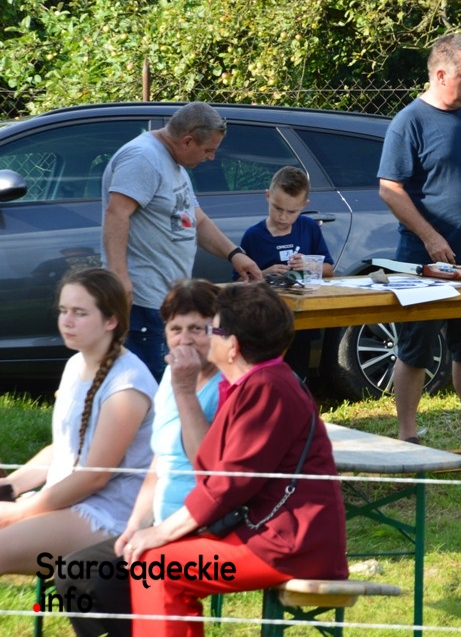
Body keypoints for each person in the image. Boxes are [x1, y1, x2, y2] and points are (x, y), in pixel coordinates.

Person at [121, 281, 347, 637]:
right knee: (154, 561)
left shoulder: (267, 388)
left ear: (233, 346)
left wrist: (161, 531)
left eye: (212, 329)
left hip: (287, 545)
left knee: (157, 566)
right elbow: (211, 468)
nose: (201, 337)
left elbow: (227, 485)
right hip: (264, 535)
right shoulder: (253, 384)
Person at [55, 279, 223, 637]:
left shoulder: (223, 385)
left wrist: (184, 389)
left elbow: (206, 464)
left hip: (204, 527)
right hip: (157, 522)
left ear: (219, 330)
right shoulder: (172, 379)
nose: (184, 340)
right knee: (73, 572)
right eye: (175, 329)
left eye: (197, 329)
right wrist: (135, 526)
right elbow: (158, 464)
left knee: (110, 580)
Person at [377, 33, 461, 446]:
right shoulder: (409, 122)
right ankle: (408, 435)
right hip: (424, 260)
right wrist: (431, 237)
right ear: (440, 75)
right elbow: (389, 189)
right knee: (415, 349)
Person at [0, 267, 156, 574]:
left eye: (80, 313)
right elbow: (63, 449)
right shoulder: (75, 364)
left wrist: (19, 513)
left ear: (111, 321)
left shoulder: (127, 384)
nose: (67, 321)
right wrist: (9, 486)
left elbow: (94, 477)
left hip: (109, 515)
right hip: (67, 499)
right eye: (63, 310)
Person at [102, 101, 262, 381]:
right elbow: (116, 214)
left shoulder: (173, 163)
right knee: (149, 386)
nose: (211, 157)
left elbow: (197, 220)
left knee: (171, 384)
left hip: (168, 299)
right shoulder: (143, 158)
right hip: (143, 299)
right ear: (187, 140)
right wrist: (119, 278)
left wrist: (235, 254)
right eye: (208, 150)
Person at [239, 165, 335, 380]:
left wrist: (309, 264)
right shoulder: (253, 236)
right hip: (266, 322)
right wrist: (264, 274)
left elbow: (329, 270)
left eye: (292, 212)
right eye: (277, 208)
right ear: (267, 196)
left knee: (298, 376)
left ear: (304, 205)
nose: (283, 217)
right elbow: (238, 282)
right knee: (267, 377)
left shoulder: (309, 228)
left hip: (302, 319)